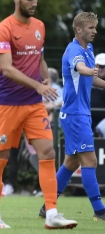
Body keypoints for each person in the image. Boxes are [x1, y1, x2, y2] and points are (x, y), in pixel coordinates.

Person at [0, 0, 78, 229]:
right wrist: (37, 86)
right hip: (7, 104)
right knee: (0, 158)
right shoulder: (3, 29)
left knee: (48, 152)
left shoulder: (39, 26)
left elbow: (40, 57)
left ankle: (52, 213)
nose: (34, 3)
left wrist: (45, 78)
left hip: (34, 105)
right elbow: (6, 68)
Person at [39, 12, 105, 221]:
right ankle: (100, 210)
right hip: (75, 114)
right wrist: (90, 70)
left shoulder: (89, 48)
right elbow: (81, 68)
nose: (95, 31)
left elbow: (90, 78)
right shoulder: (73, 49)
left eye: (95, 27)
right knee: (90, 160)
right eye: (91, 28)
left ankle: (47, 206)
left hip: (80, 113)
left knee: (71, 163)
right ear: (78, 29)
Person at [91, 53, 105, 136]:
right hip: (86, 122)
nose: (99, 69)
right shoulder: (87, 80)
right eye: (97, 66)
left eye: (102, 67)